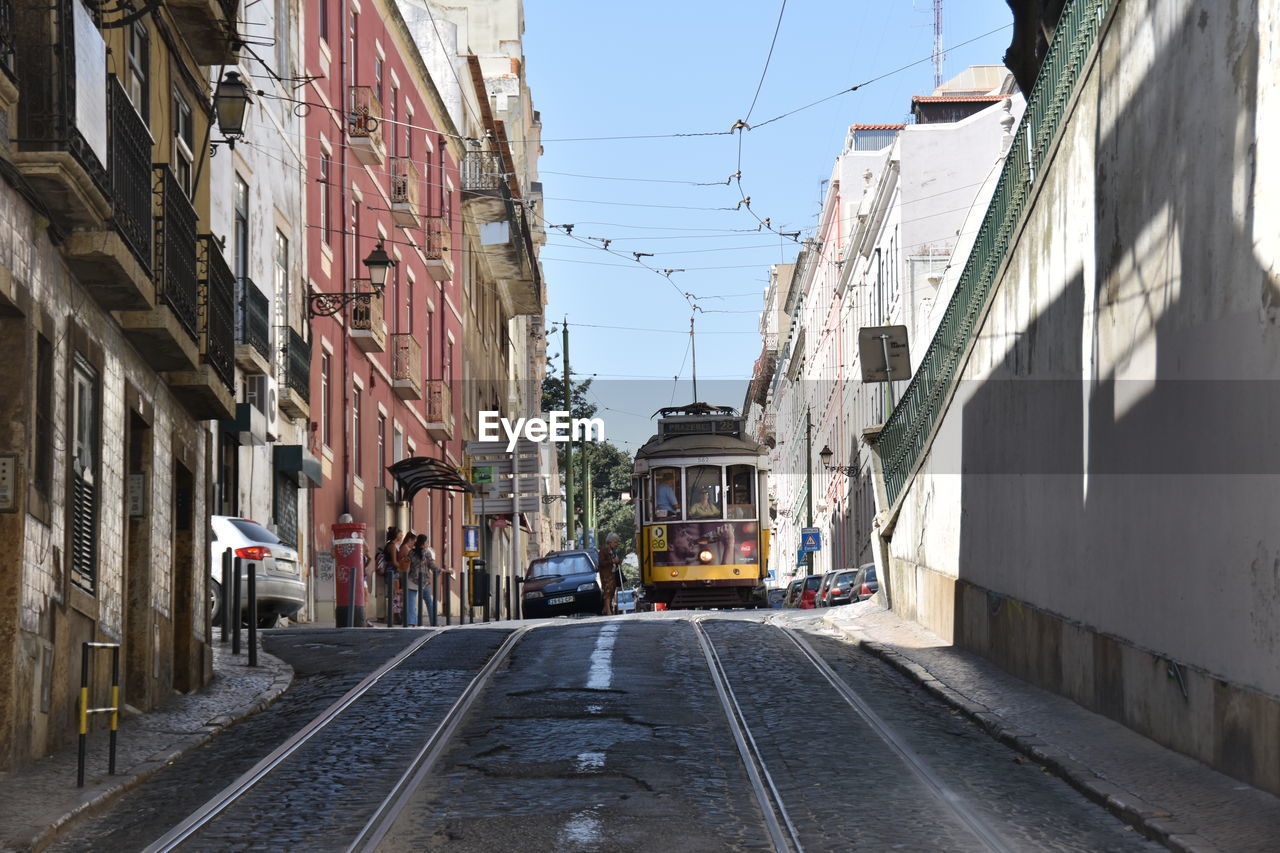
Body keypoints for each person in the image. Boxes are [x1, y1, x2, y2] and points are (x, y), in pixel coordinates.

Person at [406, 534, 429, 627]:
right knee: (429, 601)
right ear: (423, 543)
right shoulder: (427, 553)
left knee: (411, 602)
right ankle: (435, 621)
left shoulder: (411, 552)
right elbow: (432, 565)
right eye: (426, 542)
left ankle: (411, 622)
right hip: (423, 580)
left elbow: (407, 563)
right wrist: (443, 570)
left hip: (412, 578)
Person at [598, 533, 623, 615]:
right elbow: (601, 563)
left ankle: (605, 609)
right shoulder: (603, 550)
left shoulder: (613, 551)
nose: (617, 544)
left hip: (612, 574)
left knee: (612, 591)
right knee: (607, 591)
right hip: (606, 574)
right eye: (615, 542)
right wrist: (612, 561)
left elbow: (616, 561)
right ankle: (608, 610)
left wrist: (618, 561)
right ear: (610, 542)